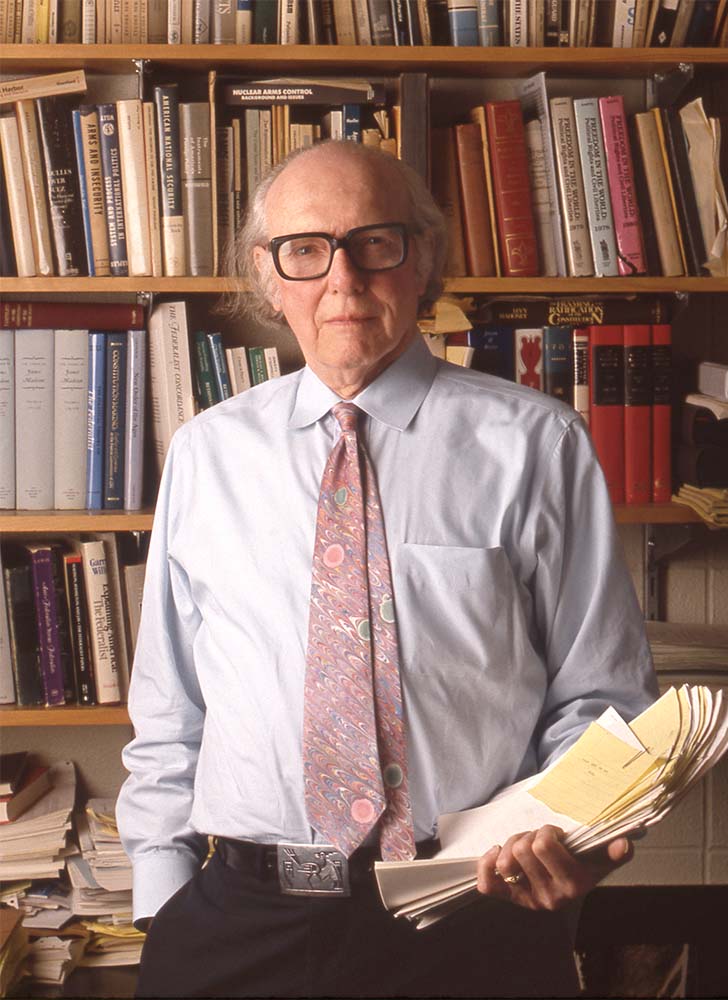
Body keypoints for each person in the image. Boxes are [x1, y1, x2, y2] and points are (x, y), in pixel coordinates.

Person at [117, 140, 658, 998]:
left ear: (424, 259)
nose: (343, 277)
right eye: (306, 249)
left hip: (471, 913)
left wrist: (567, 832)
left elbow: (600, 695)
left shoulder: (537, 446)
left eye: (376, 241)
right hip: (240, 923)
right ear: (267, 277)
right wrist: (164, 901)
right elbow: (171, 706)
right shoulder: (205, 453)